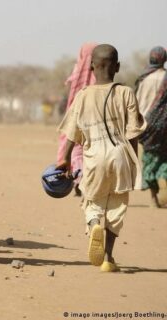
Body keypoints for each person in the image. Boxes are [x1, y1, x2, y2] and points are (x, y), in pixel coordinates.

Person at [57, 44, 145, 272]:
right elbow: (133, 133)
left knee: (92, 200)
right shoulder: (126, 93)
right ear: (117, 67)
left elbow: (71, 133)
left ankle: (95, 223)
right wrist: (133, 161)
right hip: (120, 155)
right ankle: (108, 258)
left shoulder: (83, 95)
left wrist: (64, 159)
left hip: (94, 156)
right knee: (116, 206)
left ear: (91, 67)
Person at [57, 43, 97, 197]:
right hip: (95, 120)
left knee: (76, 151)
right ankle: (83, 181)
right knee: (87, 152)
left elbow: (70, 92)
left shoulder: (76, 71)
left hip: (75, 117)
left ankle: (78, 180)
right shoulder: (100, 75)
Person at [135, 46, 167, 208]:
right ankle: (163, 179)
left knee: (149, 159)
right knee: (164, 158)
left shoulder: (144, 78)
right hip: (165, 126)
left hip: (147, 126)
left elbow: (136, 103)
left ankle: (154, 198)